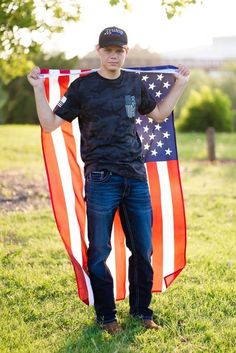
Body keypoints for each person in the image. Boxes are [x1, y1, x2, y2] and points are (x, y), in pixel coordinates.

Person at [27, 26, 189, 335]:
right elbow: (49, 124)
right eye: (108, 50)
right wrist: (37, 88)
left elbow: (158, 114)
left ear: (125, 52)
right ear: (99, 51)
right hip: (101, 179)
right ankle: (106, 317)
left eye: (119, 50)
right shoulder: (82, 88)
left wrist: (180, 84)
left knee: (142, 249)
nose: (113, 55)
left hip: (136, 179)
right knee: (99, 251)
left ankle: (142, 312)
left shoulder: (134, 83)